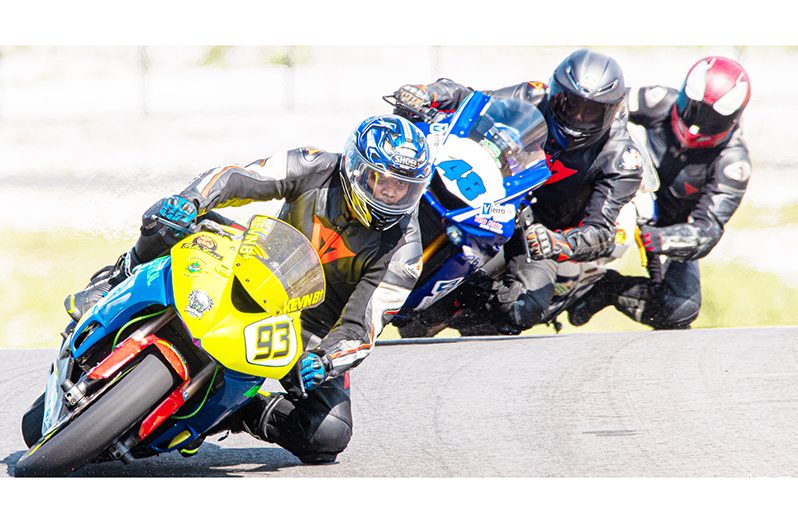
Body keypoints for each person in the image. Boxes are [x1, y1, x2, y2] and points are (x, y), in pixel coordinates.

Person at [64, 114, 433, 463]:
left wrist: (324, 360)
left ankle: (238, 409)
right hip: (250, 264)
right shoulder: (314, 165)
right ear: (357, 170)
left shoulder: (406, 253)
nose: (392, 195)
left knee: (328, 433)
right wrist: (192, 201)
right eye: (384, 181)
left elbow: (361, 328)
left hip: (306, 330)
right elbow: (237, 178)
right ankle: (114, 280)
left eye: (405, 187)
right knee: (168, 219)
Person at [393, 48, 643, 335]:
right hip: (494, 196)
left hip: (540, 230)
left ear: (611, 112)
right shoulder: (531, 96)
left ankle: (454, 303)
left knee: (523, 309)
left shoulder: (621, 159)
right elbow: (471, 100)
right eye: (569, 104)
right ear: (554, 93)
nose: (578, 117)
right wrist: (428, 94)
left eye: (592, 111)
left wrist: (558, 242)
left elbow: (600, 232)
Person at [567, 56, 752, 329]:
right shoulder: (658, 101)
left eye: (710, 120)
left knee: (681, 309)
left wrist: (664, 239)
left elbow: (709, 230)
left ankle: (604, 288)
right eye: (692, 109)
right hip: (619, 184)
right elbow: (604, 102)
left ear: (733, 119)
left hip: (665, 225)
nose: (695, 126)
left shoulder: (733, 163)